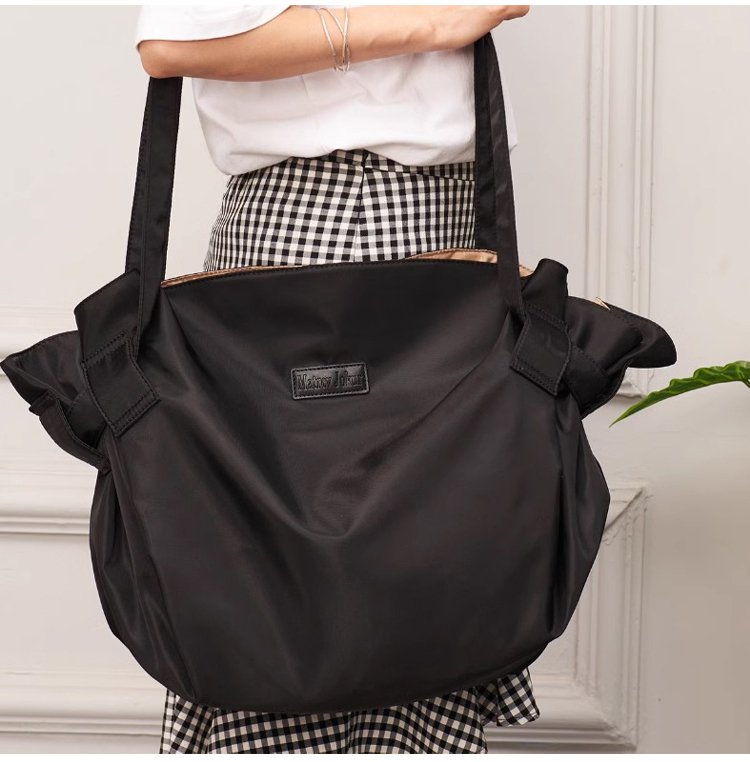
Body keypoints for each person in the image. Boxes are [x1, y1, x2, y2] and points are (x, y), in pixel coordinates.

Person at [135, 4, 535, 754]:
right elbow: (171, 43)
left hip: (439, 206)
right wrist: (432, 26)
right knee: (309, 580)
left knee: (418, 546)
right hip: (334, 207)